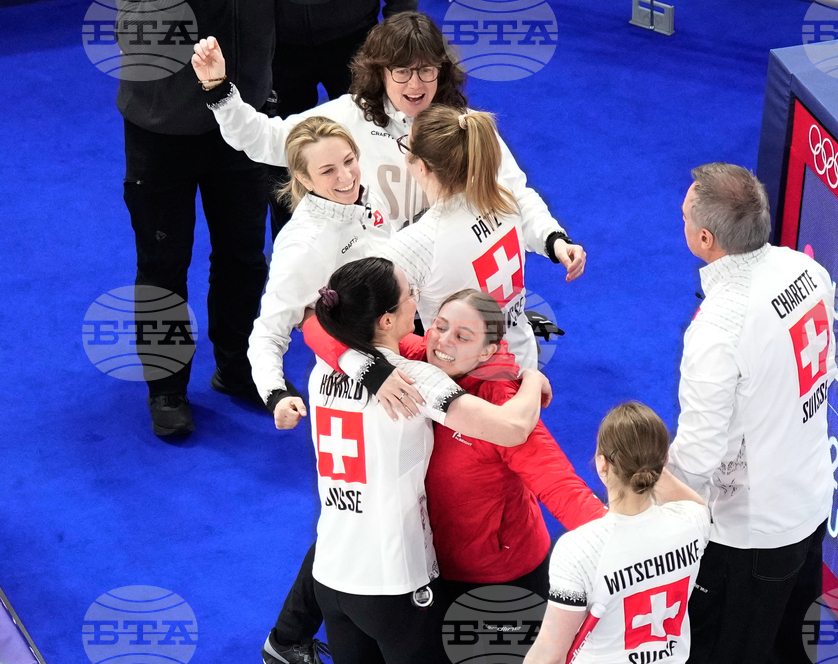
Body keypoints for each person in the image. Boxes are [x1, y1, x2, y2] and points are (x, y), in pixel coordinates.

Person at [262, 290, 603, 664]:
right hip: (429, 571)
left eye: (463, 336)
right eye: (440, 327)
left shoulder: (500, 404)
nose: (443, 342)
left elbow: (561, 487)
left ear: (489, 352)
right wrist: (366, 369)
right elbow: (318, 321)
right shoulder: (410, 359)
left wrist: (625, 545)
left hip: (501, 577)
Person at [189, 11, 587, 278]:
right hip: (377, 290)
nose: (415, 85)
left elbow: (511, 190)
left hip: (446, 282)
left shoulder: (460, 125)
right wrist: (219, 89)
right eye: (402, 72)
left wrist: (553, 240)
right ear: (380, 72)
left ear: (441, 71)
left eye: (426, 71)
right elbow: (263, 141)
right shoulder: (346, 116)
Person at [300, 257, 550, 664]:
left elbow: (315, 326)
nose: (417, 302)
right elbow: (511, 428)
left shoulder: (322, 369)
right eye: (409, 296)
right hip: (393, 585)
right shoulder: (414, 378)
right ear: (385, 320)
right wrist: (532, 378)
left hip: (330, 575)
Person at [666, 163, 837, 664]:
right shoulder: (806, 271)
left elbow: (698, 454)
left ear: (704, 237)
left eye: (683, 217)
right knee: (793, 649)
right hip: (808, 500)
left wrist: (648, 497)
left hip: (748, 533)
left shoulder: (718, 327)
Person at [122, 1, 274, 436]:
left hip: (242, 116)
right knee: (162, 264)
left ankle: (238, 366)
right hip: (161, 128)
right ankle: (166, 388)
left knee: (243, 255)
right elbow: (130, 31)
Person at [523, 402, 710, 664]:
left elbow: (549, 655)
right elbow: (698, 506)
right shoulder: (693, 523)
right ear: (663, 462)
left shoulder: (578, 549)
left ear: (602, 465)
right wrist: (651, 462)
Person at [247, 116, 392, 425]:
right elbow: (268, 332)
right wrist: (276, 394)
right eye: (327, 171)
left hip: (402, 336)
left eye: (349, 160)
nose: (345, 177)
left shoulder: (364, 193)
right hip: (361, 369)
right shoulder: (304, 246)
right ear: (305, 179)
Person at [381, 106, 540, 369]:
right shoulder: (502, 196)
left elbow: (363, 316)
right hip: (520, 359)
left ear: (421, 167)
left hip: (465, 383)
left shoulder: (417, 242)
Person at [266, 0, 417, 239]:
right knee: (283, 157)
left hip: (356, 37)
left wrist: (397, 35)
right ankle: (296, 246)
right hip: (277, 42)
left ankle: (373, 240)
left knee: (369, 141)